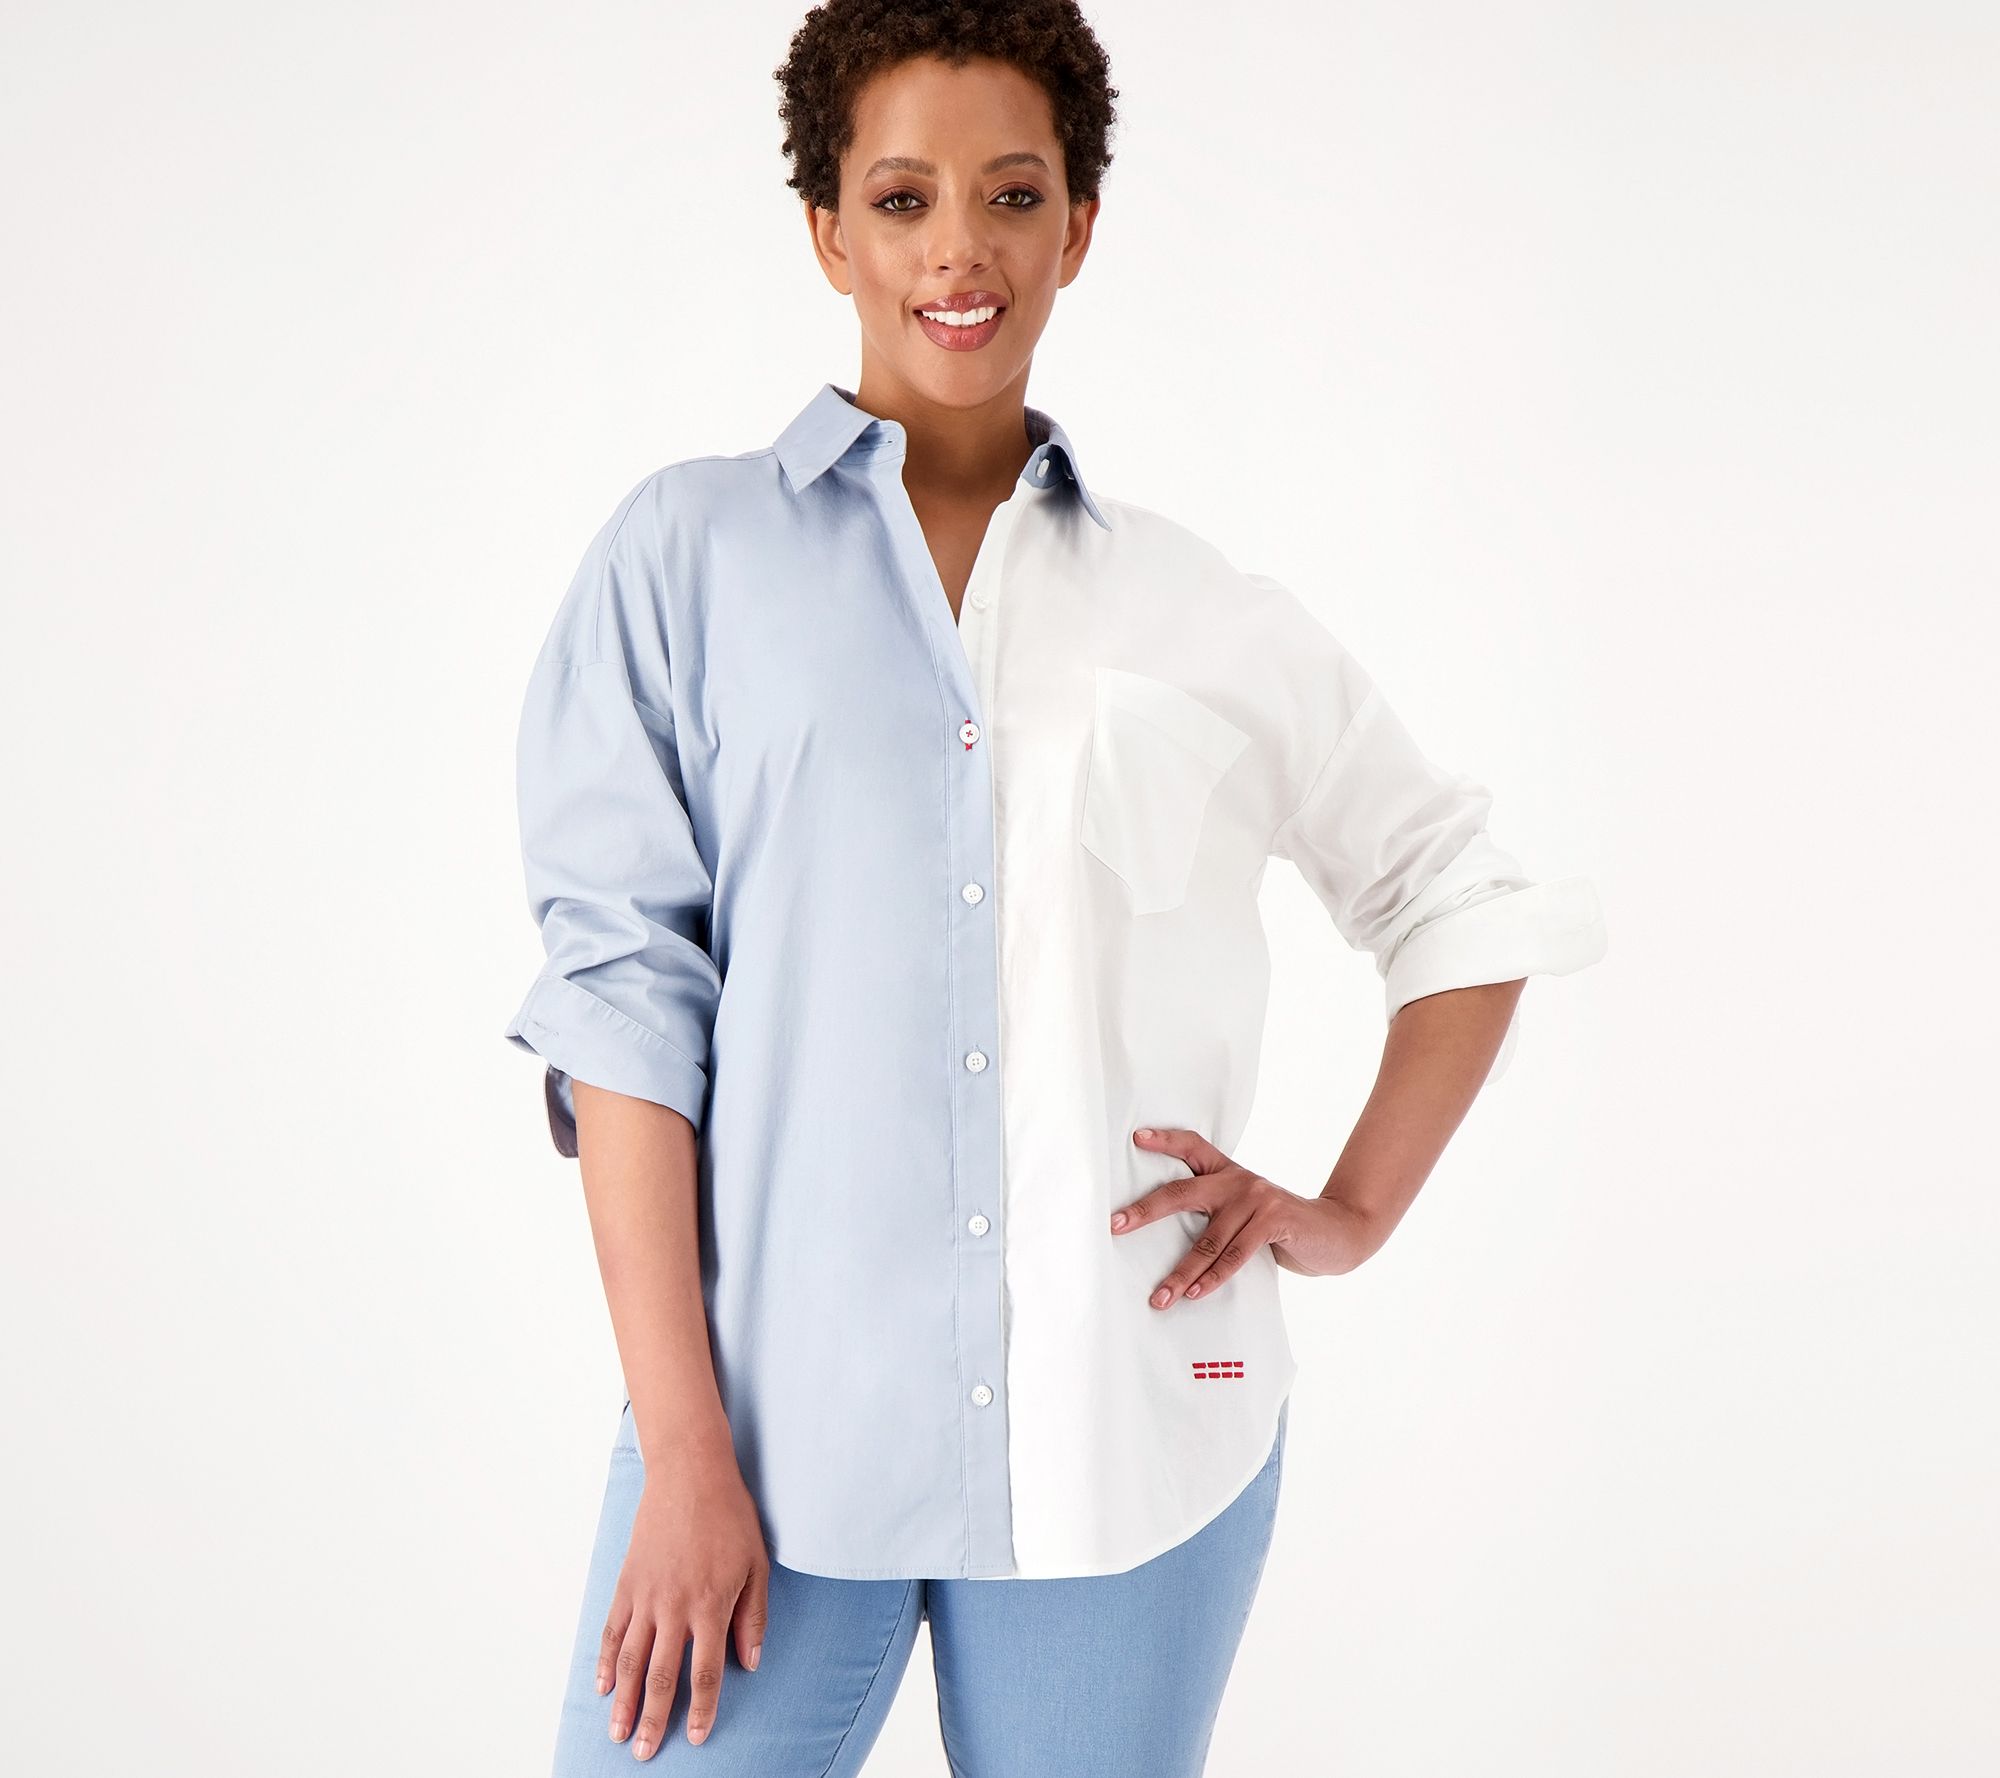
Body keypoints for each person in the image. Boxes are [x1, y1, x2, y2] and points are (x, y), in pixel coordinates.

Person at [502, 2, 1608, 1771]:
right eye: (903, 198)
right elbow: (628, 1014)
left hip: (1135, 1449)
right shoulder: (685, 558)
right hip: (766, 1443)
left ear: (1077, 227)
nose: (961, 248)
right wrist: (684, 1450)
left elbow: (1459, 899)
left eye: (1013, 195)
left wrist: (1349, 1210)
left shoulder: (1203, 612)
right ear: (828, 231)